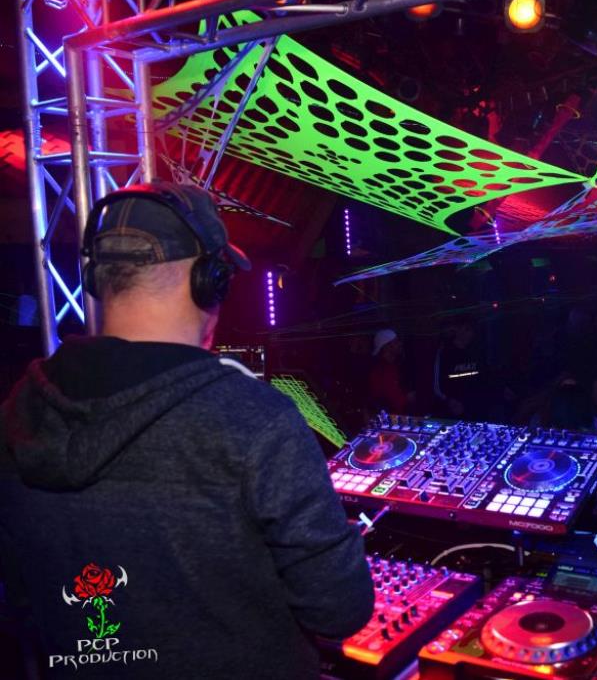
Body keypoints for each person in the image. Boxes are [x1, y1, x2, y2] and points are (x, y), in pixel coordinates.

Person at [0, 183, 373, 679]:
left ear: (93, 278)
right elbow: (340, 609)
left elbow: (20, 603)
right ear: (208, 280)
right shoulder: (253, 419)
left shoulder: (18, 411)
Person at [368, 328, 415, 414]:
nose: (400, 344)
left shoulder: (399, 365)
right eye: (396, 342)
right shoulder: (379, 371)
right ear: (386, 346)